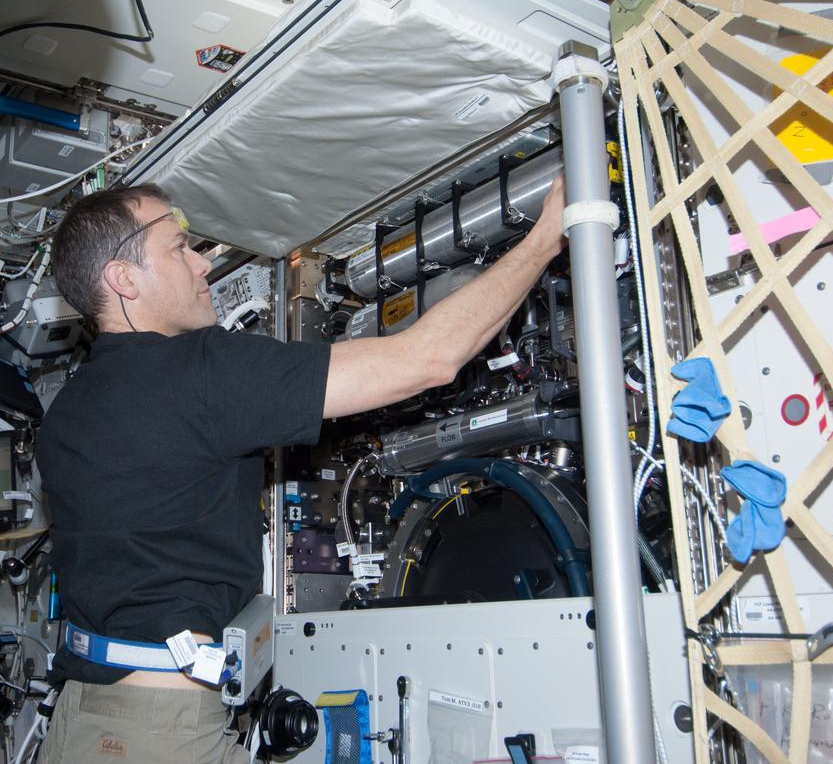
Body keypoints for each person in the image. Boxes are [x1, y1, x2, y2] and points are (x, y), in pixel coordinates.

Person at [35, 176, 566, 763]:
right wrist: (545, 237)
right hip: (161, 731)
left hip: (79, 714)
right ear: (124, 279)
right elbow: (429, 360)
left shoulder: (65, 412)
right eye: (179, 248)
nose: (202, 264)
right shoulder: (201, 372)